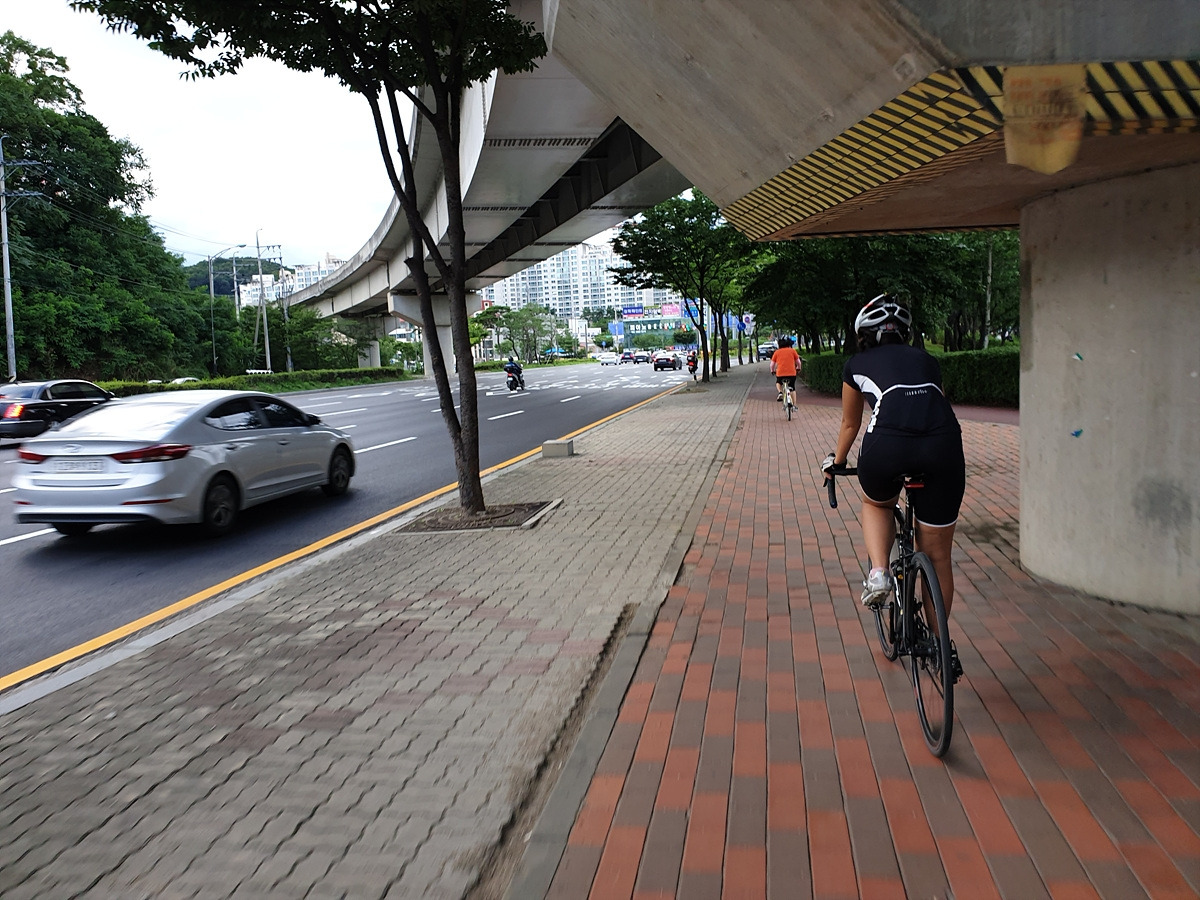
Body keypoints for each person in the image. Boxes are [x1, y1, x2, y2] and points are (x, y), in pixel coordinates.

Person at [820, 293, 964, 677]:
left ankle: (880, 573)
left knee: (877, 503)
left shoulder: (855, 364)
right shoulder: (927, 361)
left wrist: (837, 463)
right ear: (906, 333)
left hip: (887, 446)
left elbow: (850, 423)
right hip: (944, 446)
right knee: (938, 556)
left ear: (863, 335)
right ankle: (940, 646)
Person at [769, 337, 801, 401]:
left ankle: (780, 392)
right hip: (792, 373)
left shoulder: (777, 352)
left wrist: (772, 370)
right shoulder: (792, 351)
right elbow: (798, 362)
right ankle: (794, 405)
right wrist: (798, 368)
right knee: (792, 388)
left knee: (778, 382)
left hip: (780, 373)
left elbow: (772, 365)